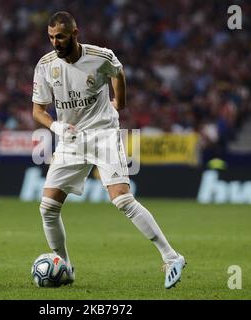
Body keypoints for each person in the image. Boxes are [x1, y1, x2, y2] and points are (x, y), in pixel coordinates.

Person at [32, 11, 186, 289]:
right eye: (52, 37)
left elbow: (118, 72)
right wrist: (56, 128)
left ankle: (171, 256)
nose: (56, 42)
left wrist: (119, 103)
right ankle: (65, 265)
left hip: (103, 134)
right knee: (48, 209)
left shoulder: (100, 56)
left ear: (75, 34)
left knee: (122, 200)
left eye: (61, 37)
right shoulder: (45, 65)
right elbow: (38, 110)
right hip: (70, 140)